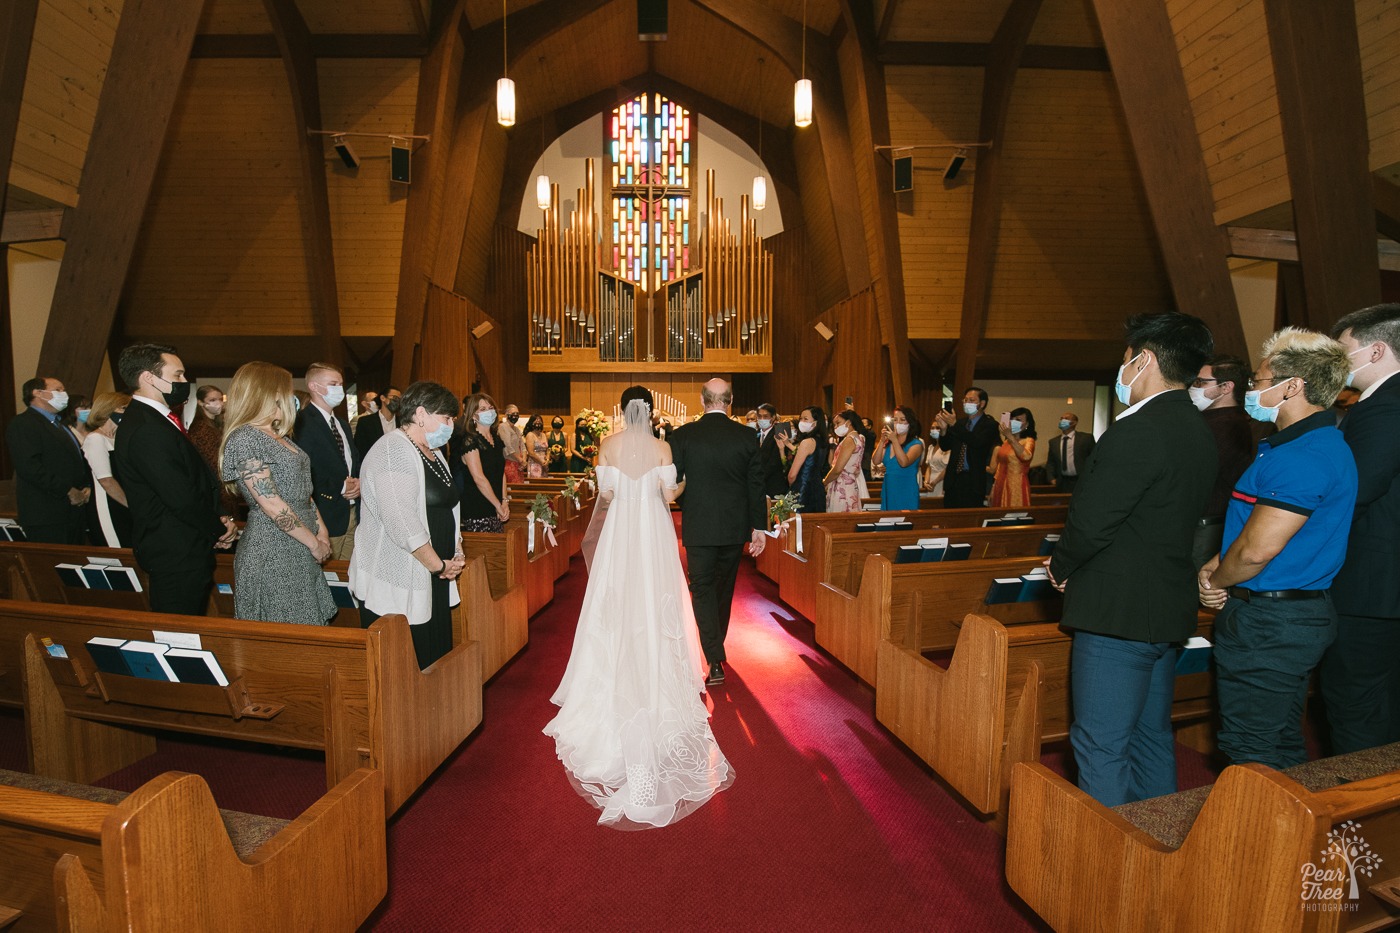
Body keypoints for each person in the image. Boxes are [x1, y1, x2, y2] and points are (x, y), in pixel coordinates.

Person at [1044, 312, 1217, 807]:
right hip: (1164, 607)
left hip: (1117, 612)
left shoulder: (1138, 430)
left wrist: (1060, 566)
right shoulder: (1194, 427)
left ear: (1144, 360)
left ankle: (1110, 874)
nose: (1121, 373)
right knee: (1150, 737)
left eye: (1125, 361)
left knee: (1100, 745)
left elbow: (1094, 519)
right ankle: (1155, 849)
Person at [545, 387, 734, 828]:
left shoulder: (608, 445)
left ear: (623, 409)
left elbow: (606, 497)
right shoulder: (662, 445)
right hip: (652, 533)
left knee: (613, 599)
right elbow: (670, 495)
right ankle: (656, 666)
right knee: (658, 599)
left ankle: (610, 670)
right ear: (649, 410)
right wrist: (676, 484)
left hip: (619, 535)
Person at [1197, 328, 1356, 769]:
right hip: (1282, 615)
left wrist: (1217, 579)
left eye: (1260, 380)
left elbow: (1256, 551)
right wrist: (1219, 560)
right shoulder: (1291, 446)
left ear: (1292, 386)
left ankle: (1254, 839)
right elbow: (1251, 532)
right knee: (1282, 742)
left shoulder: (1304, 454)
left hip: (1273, 622)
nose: (1252, 389)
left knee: (1251, 752)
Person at [1320, 303, 1400, 753]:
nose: (1336, 360)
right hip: (1385, 586)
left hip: (1371, 588)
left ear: (1376, 351)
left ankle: (1357, 822)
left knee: (1357, 712)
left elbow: (1358, 490)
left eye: (1342, 350)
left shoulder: (1385, 406)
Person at [112, 344, 237, 614]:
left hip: (184, 543)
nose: (184, 382)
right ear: (148, 378)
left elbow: (193, 478)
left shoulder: (157, 419)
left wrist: (218, 514)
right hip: (174, 548)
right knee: (180, 630)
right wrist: (216, 528)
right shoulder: (146, 428)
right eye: (178, 375)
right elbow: (178, 495)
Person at [350, 381, 466, 669]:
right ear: (421, 414)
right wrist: (437, 564)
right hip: (404, 572)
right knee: (409, 665)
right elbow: (400, 520)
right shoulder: (393, 450)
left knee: (435, 656)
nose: (451, 425)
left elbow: (449, 506)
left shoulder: (435, 452)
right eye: (447, 418)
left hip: (435, 572)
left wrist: (457, 548)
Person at [220, 362, 337, 626]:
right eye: (285, 390)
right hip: (273, 549)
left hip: (300, 542)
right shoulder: (246, 437)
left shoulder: (279, 436)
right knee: (291, 632)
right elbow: (270, 503)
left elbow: (303, 492)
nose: (290, 397)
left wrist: (322, 531)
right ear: (268, 393)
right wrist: (313, 542)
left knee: (311, 625)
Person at [668, 378, 768, 686]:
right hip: (734, 526)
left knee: (702, 588)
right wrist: (759, 527)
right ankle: (715, 653)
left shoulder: (682, 436)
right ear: (730, 400)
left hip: (698, 524)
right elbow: (756, 485)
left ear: (702, 400)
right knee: (723, 591)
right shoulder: (748, 437)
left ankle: (713, 656)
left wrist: (691, 501)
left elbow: (676, 484)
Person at [1188, 355, 1256, 569]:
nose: (1193, 387)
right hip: (1200, 522)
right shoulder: (1210, 420)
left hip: (1206, 525)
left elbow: (1196, 473)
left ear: (1226, 387)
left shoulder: (1229, 426)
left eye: (1200, 382)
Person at [5, 377, 91, 544]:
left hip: (73, 511)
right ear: (37, 393)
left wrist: (86, 485)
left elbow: (73, 460)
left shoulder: (59, 424)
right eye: (58, 390)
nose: (64, 394)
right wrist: (68, 490)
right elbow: (29, 467)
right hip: (46, 513)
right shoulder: (23, 423)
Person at [295, 362, 362, 561]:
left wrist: (358, 482)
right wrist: (340, 487)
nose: (339, 389)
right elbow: (303, 471)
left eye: (340, 384)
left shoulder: (341, 423)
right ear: (314, 386)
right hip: (325, 513)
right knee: (328, 577)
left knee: (348, 576)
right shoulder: (301, 423)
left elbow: (352, 459)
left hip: (352, 511)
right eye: (333, 384)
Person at [82, 392, 133, 548]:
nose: (129, 413)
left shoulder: (118, 437)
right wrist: (131, 505)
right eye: (124, 408)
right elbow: (106, 480)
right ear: (108, 409)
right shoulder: (95, 439)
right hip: (108, 505)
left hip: (123, 501)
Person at [935, 388, 1000, 508]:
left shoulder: (990, 425)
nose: (967, 403)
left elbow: (977, 442)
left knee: (969, 521)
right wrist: (944, 430)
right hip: (953, 480)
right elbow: (945, 446)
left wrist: (954, 425)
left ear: (982, 403)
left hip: (973, 480)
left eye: (971, 400)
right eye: (965, 400)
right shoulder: (960, 423)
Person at [455, 392, 511, 532]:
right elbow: (479, 478)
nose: (489, 412)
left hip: (496, 503)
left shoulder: (496, 440)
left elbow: (501, 473)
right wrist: (497, 505)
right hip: (477, 506)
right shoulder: (470, 440)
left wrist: (504, 501)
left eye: (490, 408)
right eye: (483, 409)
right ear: (473, 415)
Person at [779, 406, 829, 517]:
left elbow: (792, 475)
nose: (801, 421)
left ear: (815, 422)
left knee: (796, 528)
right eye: (801, 418)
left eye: (805, 419)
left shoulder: (807, 442)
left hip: (802, 490)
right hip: (817, 489)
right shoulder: (822, 442)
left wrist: (793, 486)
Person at [874, 406, 924, 511]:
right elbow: (876, 460)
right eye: (895, 420)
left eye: (902, 420)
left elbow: (904, 462)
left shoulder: (916, 444)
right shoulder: (889, 444)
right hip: (889, 488)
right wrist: (882, 441)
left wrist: (895, 441)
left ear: (910, 423)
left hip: (905, 489)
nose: (898, 423)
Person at [989, 407, 1036, 509]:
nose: (1014, 422)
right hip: (1000, 483)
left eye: (1018, 420)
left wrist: (1010, 436)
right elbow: (1000, 466)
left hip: (1016, 485)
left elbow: (1026, 456)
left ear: (1027, 424)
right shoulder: (1006, 442)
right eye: (1012, 419)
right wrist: (993, 487)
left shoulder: (1028, 441)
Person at [823, 409, 867, 512]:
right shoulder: (860, 438)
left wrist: (825, 482)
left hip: (842, 484)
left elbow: (838, 469)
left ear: (849, 422)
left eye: (838, 423)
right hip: (850, 482)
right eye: (834, 425)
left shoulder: (849, 439)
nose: (836, 427)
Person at [1045, 411, 1095, 493]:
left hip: (1081, 480)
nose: (1062, 420)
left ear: (1074, 422)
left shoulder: (1086, 439)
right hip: (1062, 482)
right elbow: (1051, 462)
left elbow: (1094, 458)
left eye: (1066, 419)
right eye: (1061, 419)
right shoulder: (1054, 442)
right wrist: (1051, 478)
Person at [187, 385, 226, 476]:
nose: (219, 403)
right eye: (212, 400)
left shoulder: (216, 424)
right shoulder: (201, 428)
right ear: (200, 402)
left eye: (220, 399)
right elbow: (213, 463)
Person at [353, 385, 400, 458]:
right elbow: (360, 450)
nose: (397, 401)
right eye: (395, 397)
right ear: (383, 398)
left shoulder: (403, 423)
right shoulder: (366, 422)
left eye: (400, 399)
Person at [754, 402, 788, 499]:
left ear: (773, 417)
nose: (762, 419)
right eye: (759, 416)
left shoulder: (779, 433)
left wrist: (758, 477)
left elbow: (775, 461)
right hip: (758, 485)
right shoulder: (754, 434)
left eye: (766, 416)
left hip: (773, 484)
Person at [499, 403, 527, 484]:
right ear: (507, 415)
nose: (515, 416)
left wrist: (524, 461)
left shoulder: (517, 429)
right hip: (509, 463)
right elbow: (507, 446)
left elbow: (522, 446)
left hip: (519, 465)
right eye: (513, 414)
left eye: (517, 414)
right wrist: (520, 460)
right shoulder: (503, 427)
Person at [921, 424, 950, 496]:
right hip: (931, 483)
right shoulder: (931, 447)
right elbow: (929, 467)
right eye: (932, 428)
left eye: (937, 428)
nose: (934, 430)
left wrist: (935, 482)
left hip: (942, 481)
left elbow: (948, 468)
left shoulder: (948, 447)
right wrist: (926, 481)